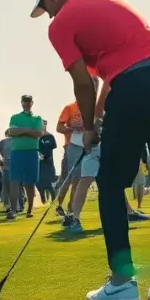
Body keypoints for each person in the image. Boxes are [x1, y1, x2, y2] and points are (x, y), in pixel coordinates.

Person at [30, 0, 150, 300]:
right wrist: (98, 117)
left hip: (134, 87)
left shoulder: (59, 24)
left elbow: (83, 83)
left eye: (46, 8)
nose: (48, 16)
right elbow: (110, 76)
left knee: (109, 183)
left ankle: (122, 282)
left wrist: (89, 127)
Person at [55, 79, 99, 218]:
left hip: (94, 146)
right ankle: (69, 210)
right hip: (75, 146)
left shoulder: (99, 107)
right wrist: (72, 126)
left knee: (87, 179)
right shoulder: (70, 108)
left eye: (95, 87)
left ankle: (72, 210)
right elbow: (59, 127)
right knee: (75, 179)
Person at [5, 94, 45, 219]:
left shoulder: (37, 118)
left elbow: (38, 133)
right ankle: (13, 210)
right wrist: (28, 130)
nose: (27, 103)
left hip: (32, 152)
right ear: (21, 102)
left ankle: (29, 210)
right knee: (14, 181)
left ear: (32, 103)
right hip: (17, 152)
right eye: (25, 101)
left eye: (29, 101)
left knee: (30, 182)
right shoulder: (15, 117)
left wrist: (22, 131)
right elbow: (12, 131)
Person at [38, 119, 59, 205]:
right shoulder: (36, 137)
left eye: (45, 124)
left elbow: (53, 146)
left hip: (49, 162)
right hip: (39, 163)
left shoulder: (50, 136)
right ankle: (43, 198)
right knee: (39, 183)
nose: (44, 126)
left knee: (49, 183)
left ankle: (53, 200)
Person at [0, 135, 14, 214]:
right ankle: (7, 206)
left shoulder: (19, 141)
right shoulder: (3, 142)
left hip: (16, 167)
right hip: (6, 167)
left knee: (18, 187)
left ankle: (18, 204)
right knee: (6, 188)